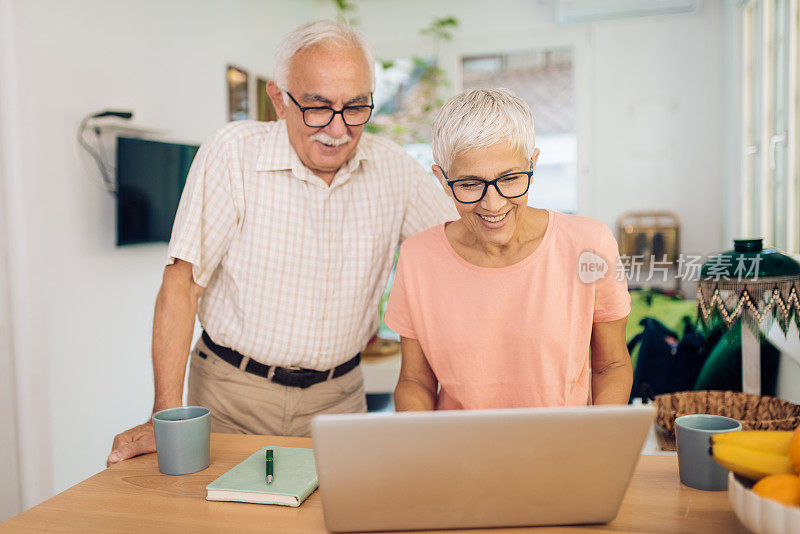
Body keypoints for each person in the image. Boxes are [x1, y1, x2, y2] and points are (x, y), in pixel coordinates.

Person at [107, 20, 455, 465]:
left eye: (355, 107)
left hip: (340, 399)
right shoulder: (233, 154)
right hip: (232, 395)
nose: (338, 128)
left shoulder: (395, 170)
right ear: (279, 100)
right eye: (317, 106)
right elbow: (182, 285)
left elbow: (458, 254)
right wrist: (166, 414)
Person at [385, 88, 632, 411]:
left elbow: (610, 366)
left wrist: (600, 441)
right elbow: (415, 381)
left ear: (533, 163)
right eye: (470, 185)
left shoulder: (591, 245)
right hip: (458, 457)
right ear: (443, 180)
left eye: (511, 179)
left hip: (564, 453)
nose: (494, 204)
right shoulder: (418, 258)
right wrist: (423, 448)